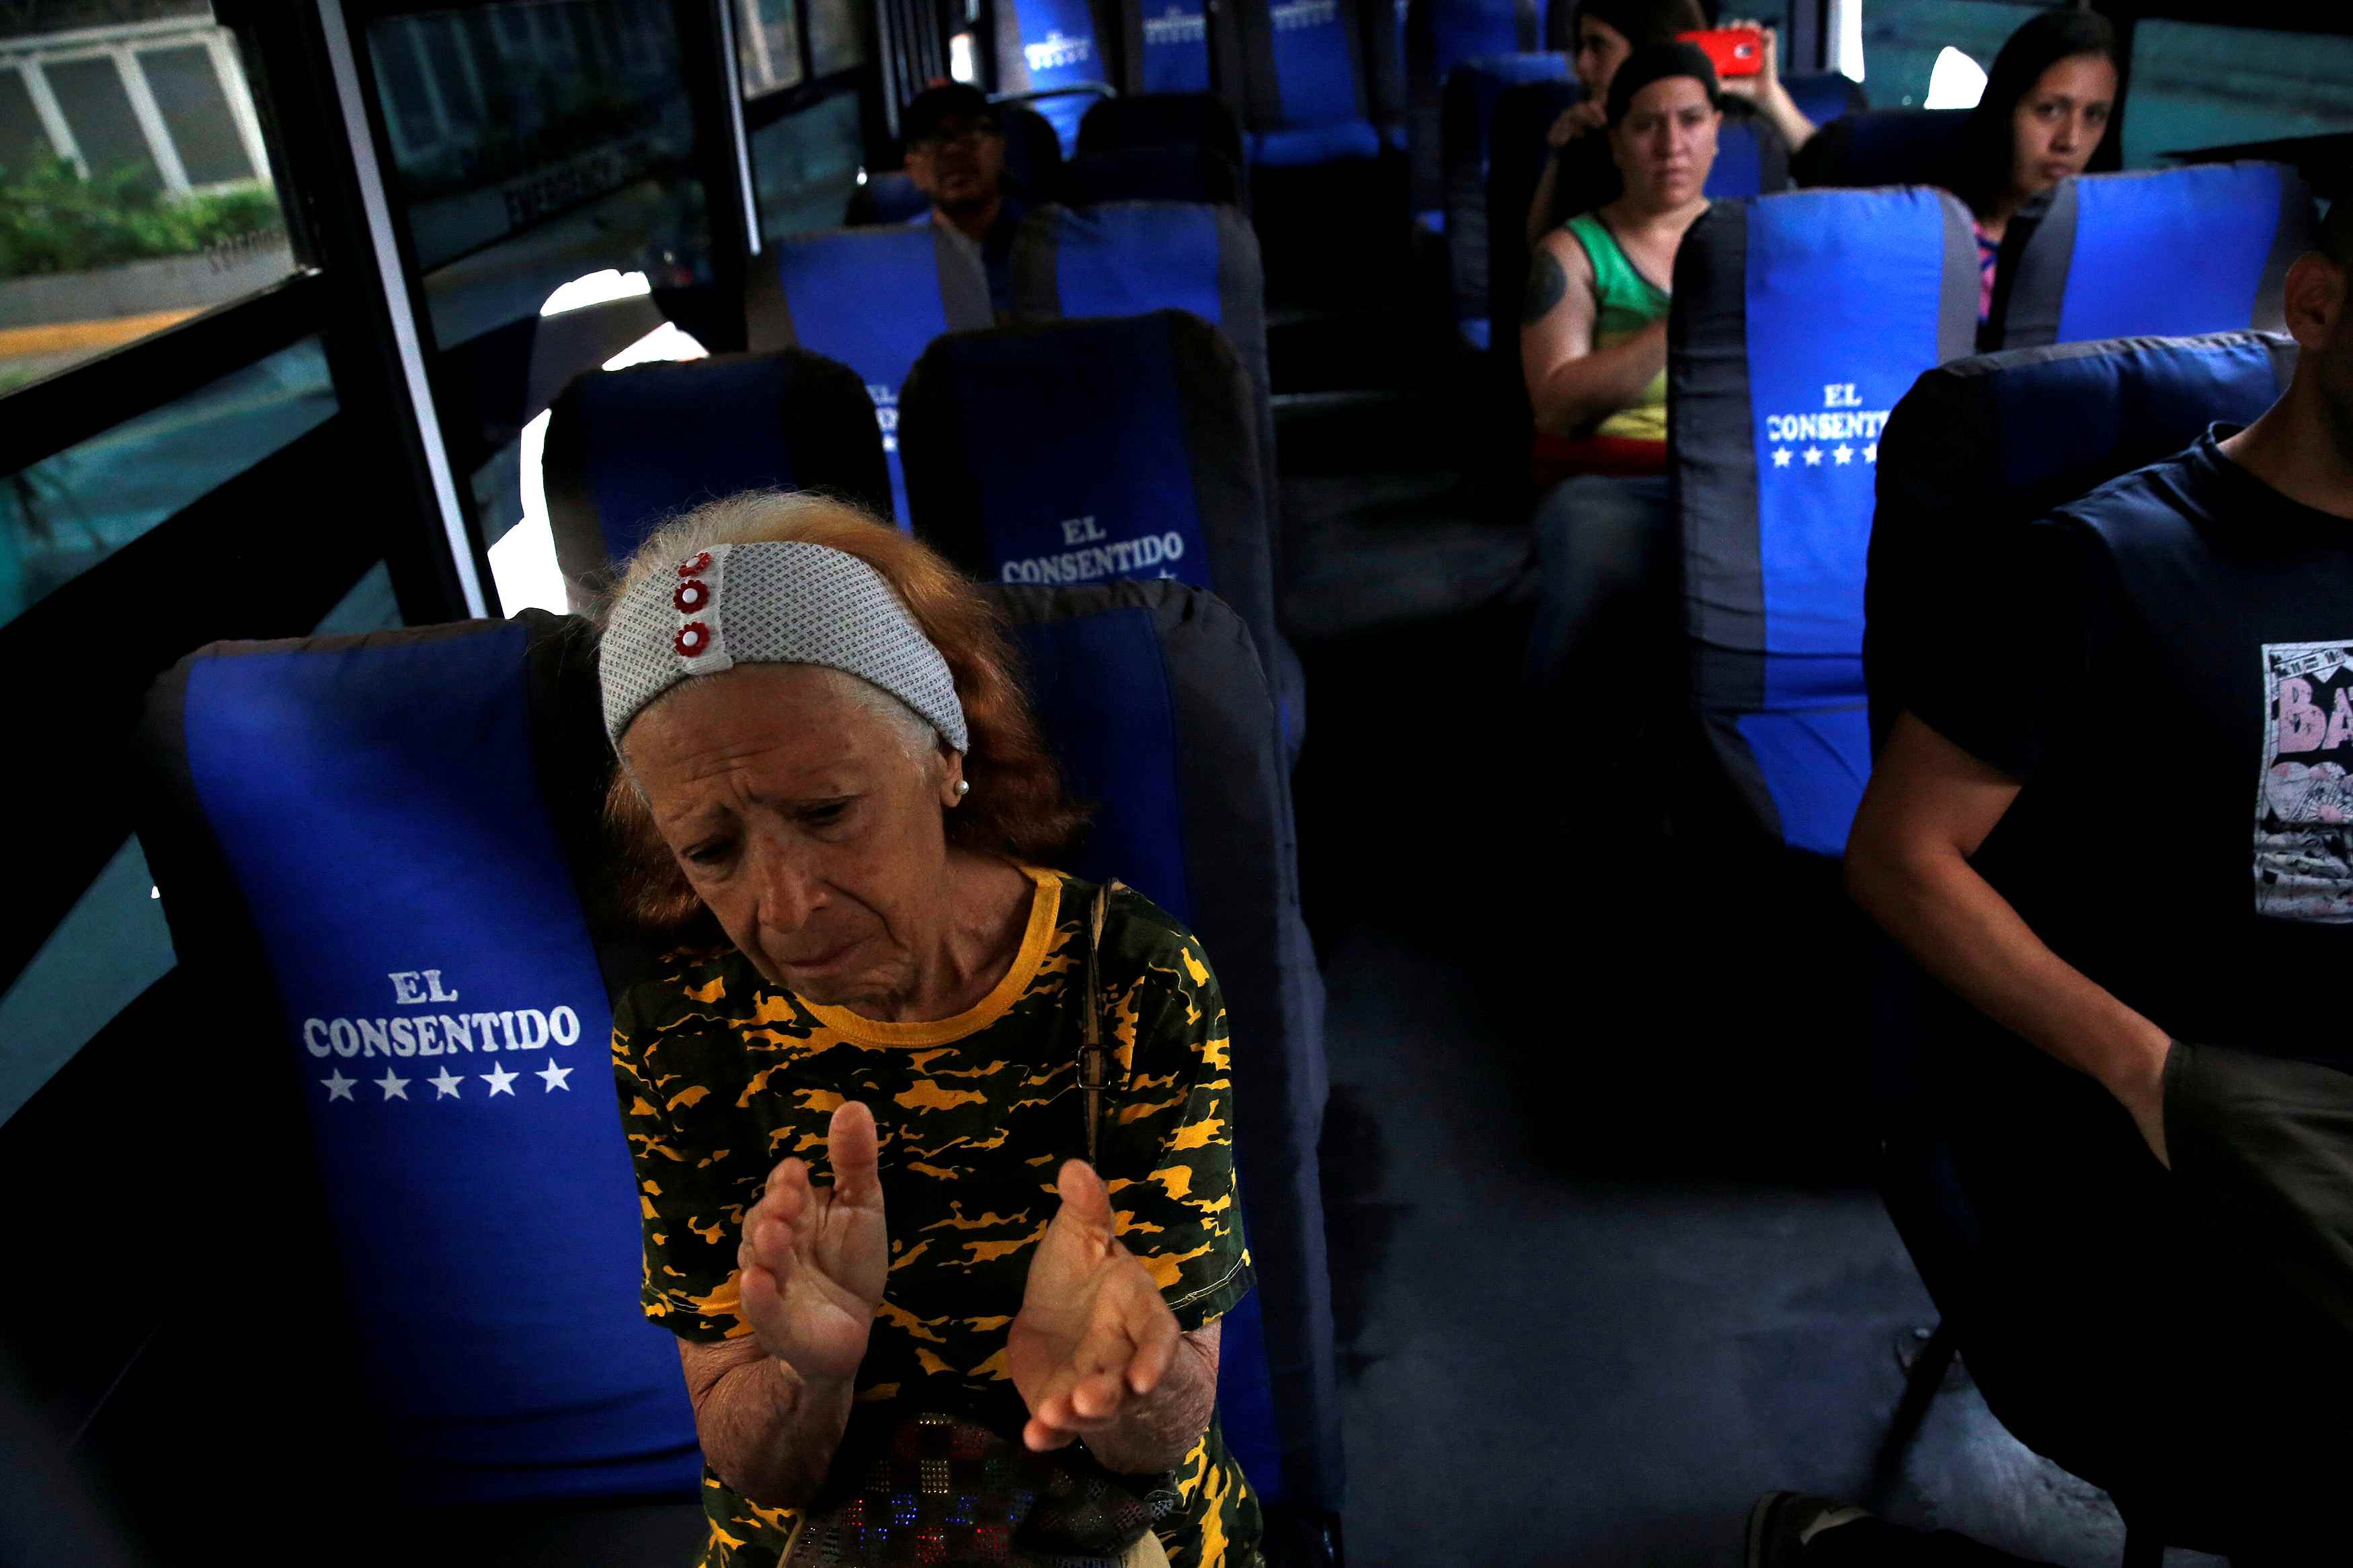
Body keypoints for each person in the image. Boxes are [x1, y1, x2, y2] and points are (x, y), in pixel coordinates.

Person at [1798, 202, 2353, 1565]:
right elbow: (1899, 856)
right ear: (2322, 308)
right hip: (2211, 1104)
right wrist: (2145, 1071)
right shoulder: (2107, 564)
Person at [596, 493, 1261, 1568]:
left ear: (943, 744)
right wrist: (808, 1378)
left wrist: (1112, 1381)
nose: (788, 906)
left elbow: (1170, 1426)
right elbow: (751, 1454)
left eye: (826, 813)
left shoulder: (1131, 978)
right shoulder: (681, 1037)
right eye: (714, 851)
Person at [1520, 42, 1716, 711]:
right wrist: (1683, 317)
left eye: (1690, 120)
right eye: (1645, 124)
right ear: (1614, 141)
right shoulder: (1570, 252)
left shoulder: (1752, 239)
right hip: (1614, 480)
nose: (1671, 144)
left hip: (1730, 473)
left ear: (1717, 129)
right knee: (1590, 539)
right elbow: (1554, 404)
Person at [1523, 1, 1814, 249]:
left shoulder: (1757, 140)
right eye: (1581, 47)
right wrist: (1559, 156)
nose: (1582, 66)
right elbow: (1542, 256)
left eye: (1599, 46)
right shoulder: (1585, 135)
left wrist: (1769, 98)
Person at [1950, 9, 2118, 320]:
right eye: (2049, 110)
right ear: (2005, 110)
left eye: (2094, 116)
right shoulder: (1938, 241)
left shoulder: (2111, 253)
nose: (2070, 140)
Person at [901, 82, 1028, 314]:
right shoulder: (896, 258)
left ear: (1001, 148)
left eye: (970, 132)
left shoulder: (1052, 240)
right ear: (913, 169)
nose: (954, 150)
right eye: (934, 140)